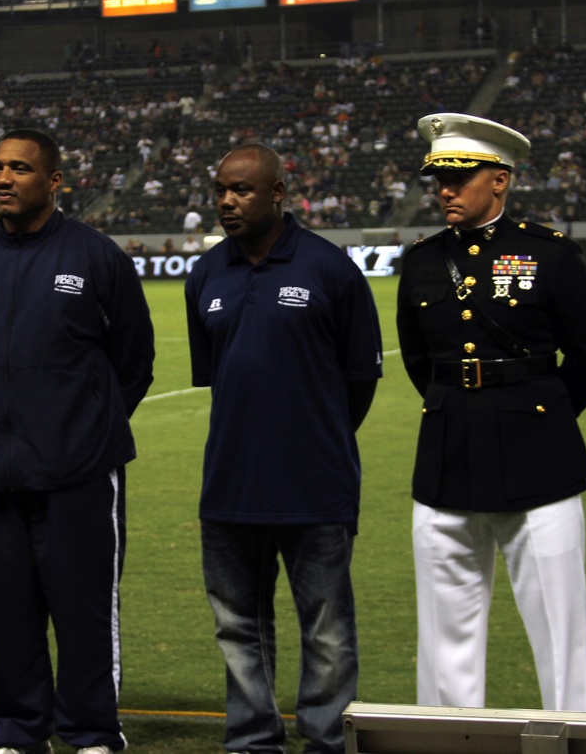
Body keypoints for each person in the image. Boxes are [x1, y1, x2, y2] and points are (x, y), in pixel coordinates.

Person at [0, 128, 155, 754]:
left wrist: (80, 426)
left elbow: (133, 361)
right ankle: (16, 727)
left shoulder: (96, 257)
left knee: (84, 611)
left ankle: (91, 731)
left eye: (21, 169)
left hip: (78, 471)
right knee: (6, 611)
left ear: (55, 181)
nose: (3, 179)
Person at [396, 113, 586, 711]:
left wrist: (539, 412)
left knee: (559, 630)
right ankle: (448, 742)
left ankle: (574, 738)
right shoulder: (419, 261)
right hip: (447, 457)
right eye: (437, 177)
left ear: (500, 180)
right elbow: (420, 360)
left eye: (459, 177)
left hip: (537, 458)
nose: (444, 189)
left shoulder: (550, 254)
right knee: (444, 635)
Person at [185, 144, 382, 754]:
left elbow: (360, 381)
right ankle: (252, 739)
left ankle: (326, 741)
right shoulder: (207, 274)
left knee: (326, 631)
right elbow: (219, 378)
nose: (226, 201)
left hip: (315, 485)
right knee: (238, 628)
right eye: (220, 189)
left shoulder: (330, 269)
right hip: (229, 488)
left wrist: (313, 438)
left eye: (241, 189)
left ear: (278, 192)